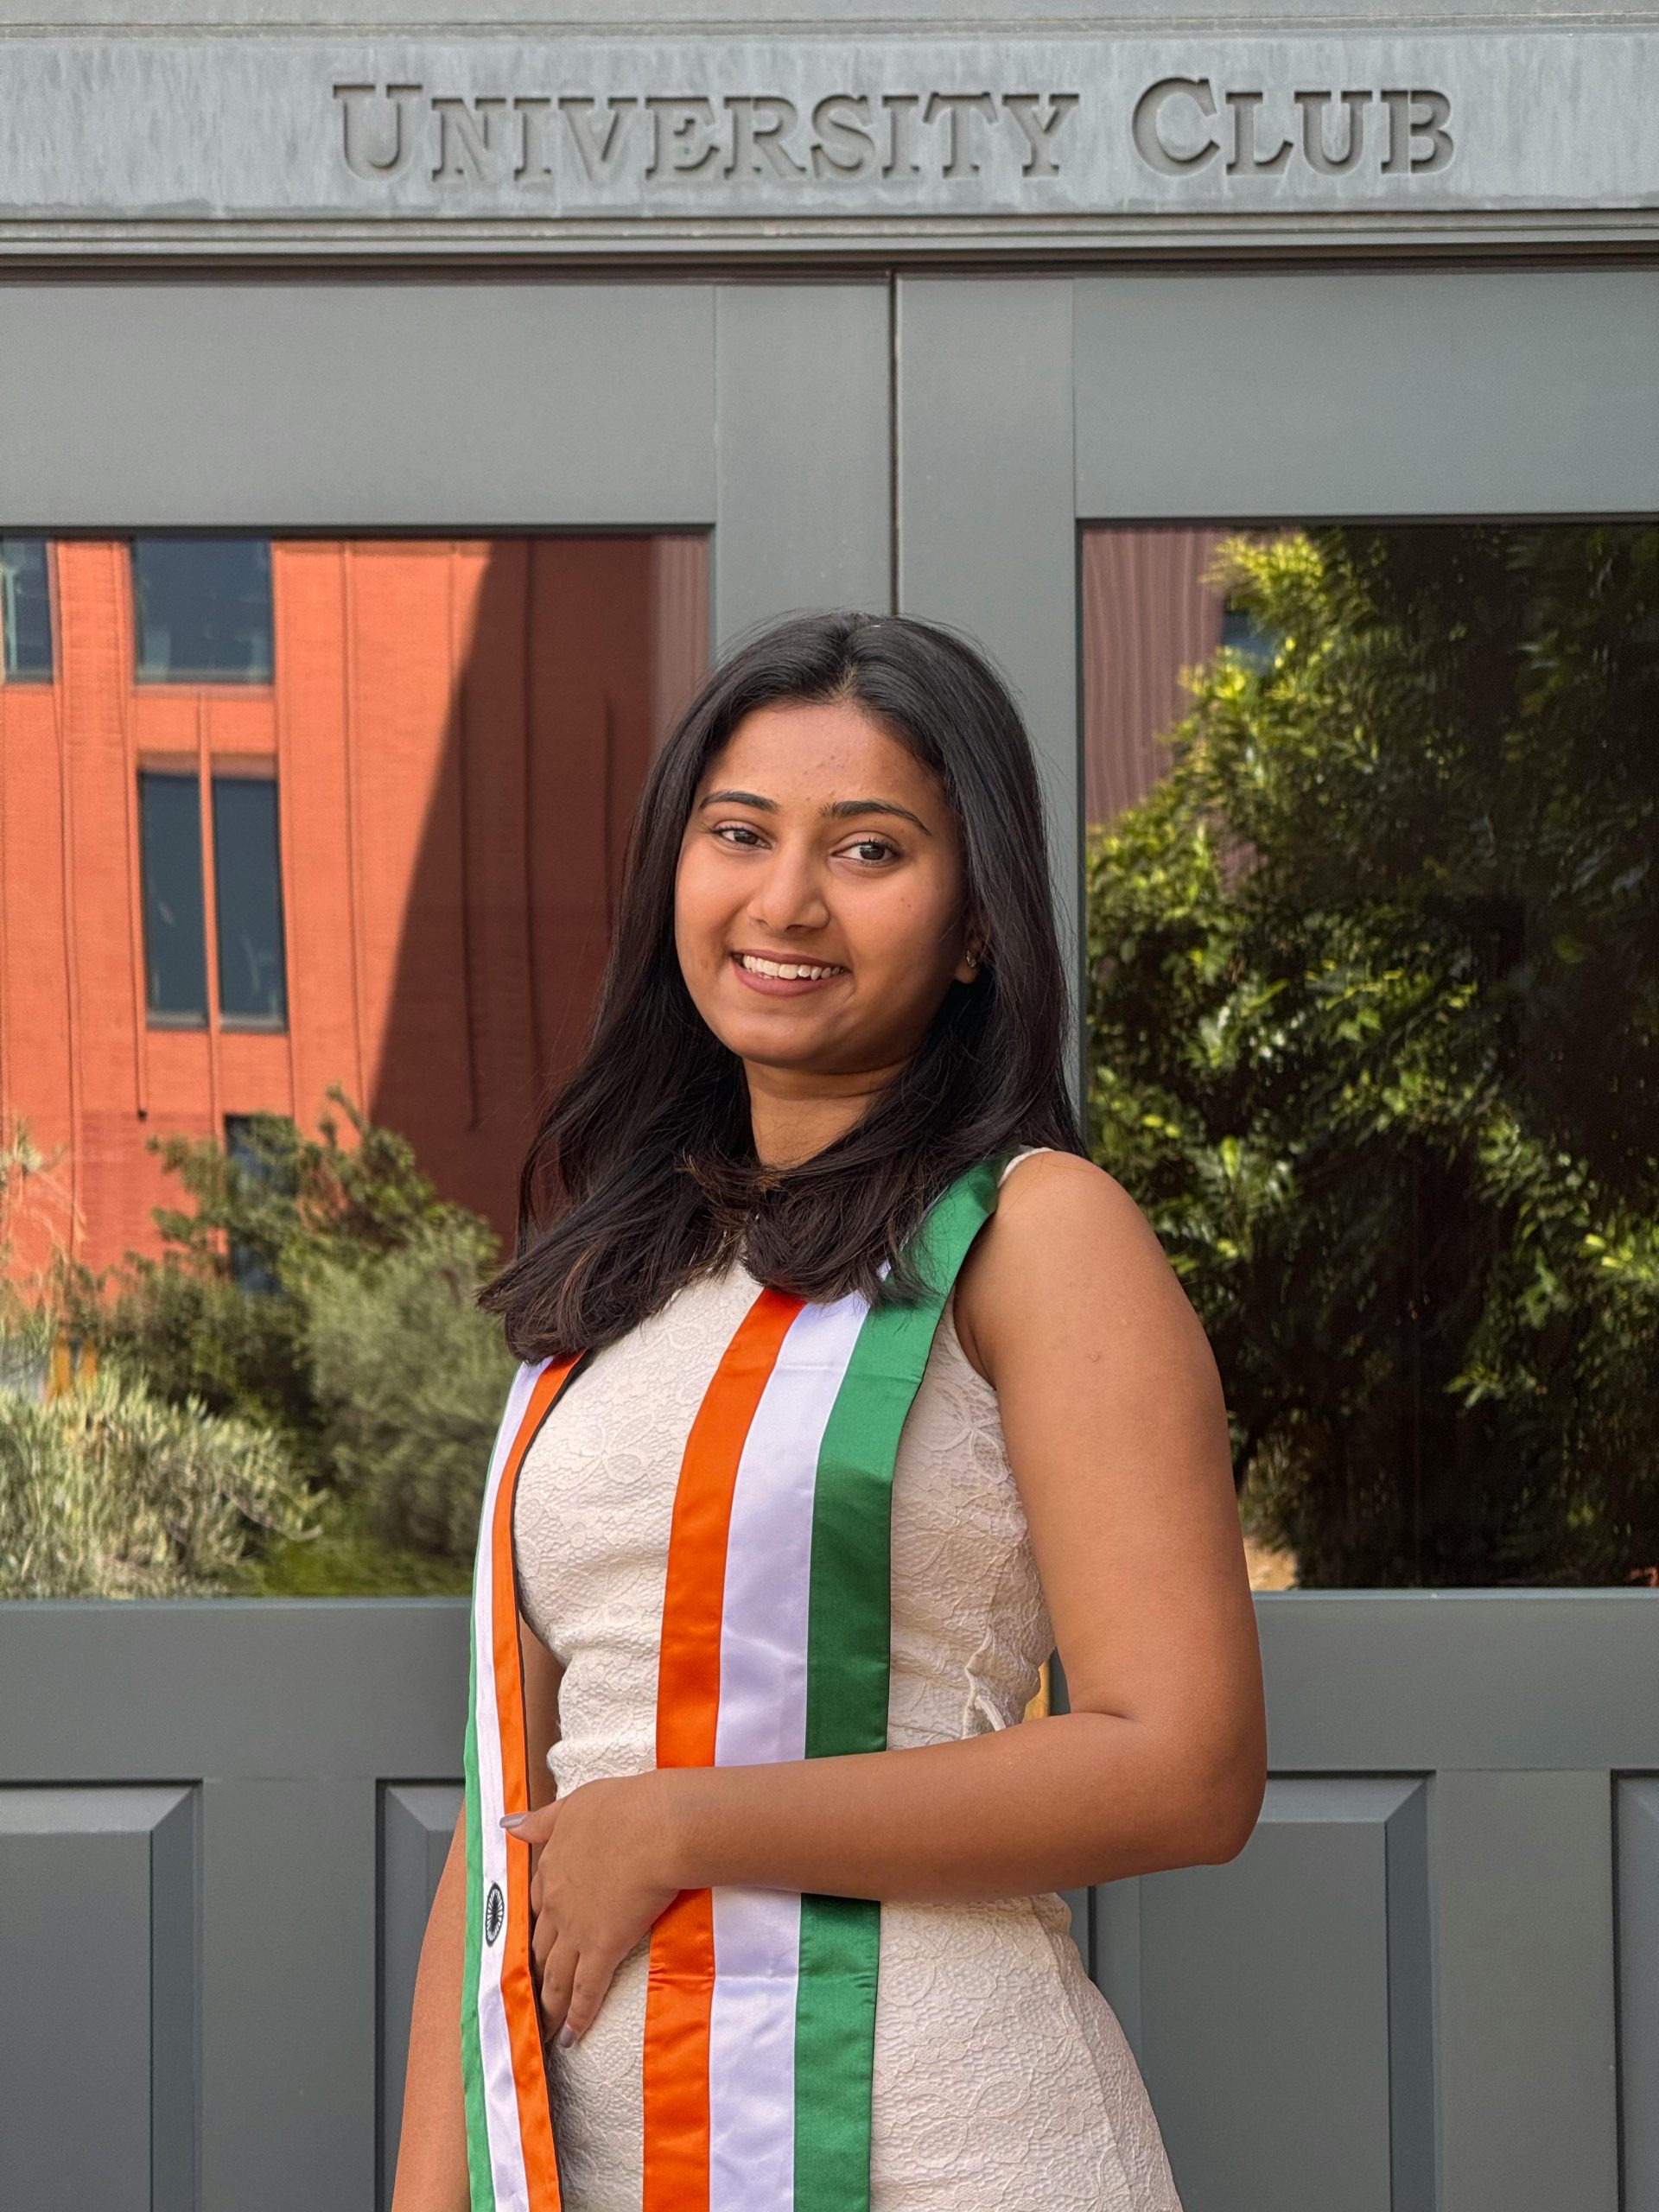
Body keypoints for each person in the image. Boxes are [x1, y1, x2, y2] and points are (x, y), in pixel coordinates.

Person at [391, 609, 1266, 2212]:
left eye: (869, 850)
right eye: (740, 834)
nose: (784, 900)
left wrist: (675, 1827)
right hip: (595, 2155)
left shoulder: (1032, 1232)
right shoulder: (620, 1277)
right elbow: (508, 1799)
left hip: (944, 2144)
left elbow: (1184, 1765)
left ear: (977, 924)